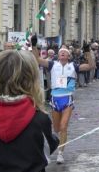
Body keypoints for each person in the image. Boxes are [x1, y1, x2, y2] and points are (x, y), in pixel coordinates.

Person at [31, 35, 94, 164]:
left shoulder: (73, 66)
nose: (63, 54)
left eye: (65, 53)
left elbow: (91, 66)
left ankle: (60, 153)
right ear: (58, 56)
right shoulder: (52, 64)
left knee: (64, 126)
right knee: (56, 128)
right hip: (55, 99)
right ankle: (57, 143)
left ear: (68, 56)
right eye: (61, 53)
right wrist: (34, 44)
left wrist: (87, 51)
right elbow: (36, 59)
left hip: (67, 99)